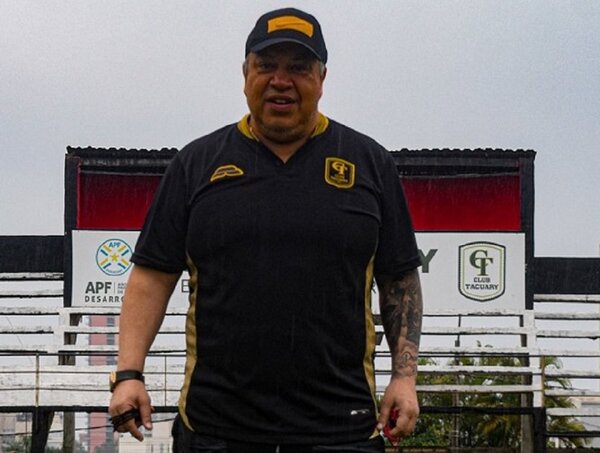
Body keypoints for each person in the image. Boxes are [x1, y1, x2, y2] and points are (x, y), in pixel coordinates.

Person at [108, 7, 423, 453]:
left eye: (298, 68)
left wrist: (404, 378)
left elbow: (399, 279)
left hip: (341, 427)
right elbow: (152, 276)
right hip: (215, 428)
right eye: (266, 65)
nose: (281, 80)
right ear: (245, 74)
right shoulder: (197, 164)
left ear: (322, 78)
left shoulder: (369, 163)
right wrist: (128, 374)